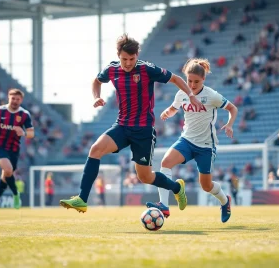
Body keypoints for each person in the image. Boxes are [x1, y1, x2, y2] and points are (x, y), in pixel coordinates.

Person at [60, 34, 202, 213]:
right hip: (122, 126)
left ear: (137, 56)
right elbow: (96, 81)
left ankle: (177, 188)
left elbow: (175, 78)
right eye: (124, 59)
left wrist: (190, 95)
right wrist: (96, 97)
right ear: (118, 55)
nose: (128, 63)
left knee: (145, 177)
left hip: (143, 130)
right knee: (95, 150)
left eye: (132, 59)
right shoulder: (111, 70)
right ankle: (82, 198)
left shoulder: (146, 69)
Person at [146, 58, 238, 223]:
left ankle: (225, 201)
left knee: (206, 186)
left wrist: (230, 124)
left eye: (196, 81)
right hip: (186, 140)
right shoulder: (182, 93)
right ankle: (164, 205)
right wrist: (168, 112)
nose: (192, 84)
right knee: (166, 162)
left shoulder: (211, 95)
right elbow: (175, 108)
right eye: (189, 81)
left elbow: (233, 108)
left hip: (206, 146)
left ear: (204, 79)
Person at [0, 88, 34, 215]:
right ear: (8, 98)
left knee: (6, 174)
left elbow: (31, 134)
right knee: (7, 169)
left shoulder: (24, 114)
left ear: (21, 100)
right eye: (13, 98)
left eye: (18, 99)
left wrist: (23, 132)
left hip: (14, 148)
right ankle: (16, 193)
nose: (15, 101)